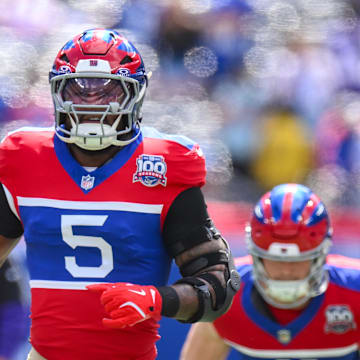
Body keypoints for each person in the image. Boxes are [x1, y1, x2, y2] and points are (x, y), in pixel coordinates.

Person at [0, 29, 240, 360]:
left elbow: (217, 288)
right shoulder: (24, 158)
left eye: (108, 92)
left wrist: (159, 300)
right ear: (57, 92)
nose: (90, 105)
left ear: (135, 95)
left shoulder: (164, 166)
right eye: (77, 90)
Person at [181, 183, 360, 360]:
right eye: (276, 260)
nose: (286, 270)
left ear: (320, 255)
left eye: (297, 260)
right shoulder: (226, 295)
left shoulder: (354, 292)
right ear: (256, 255)